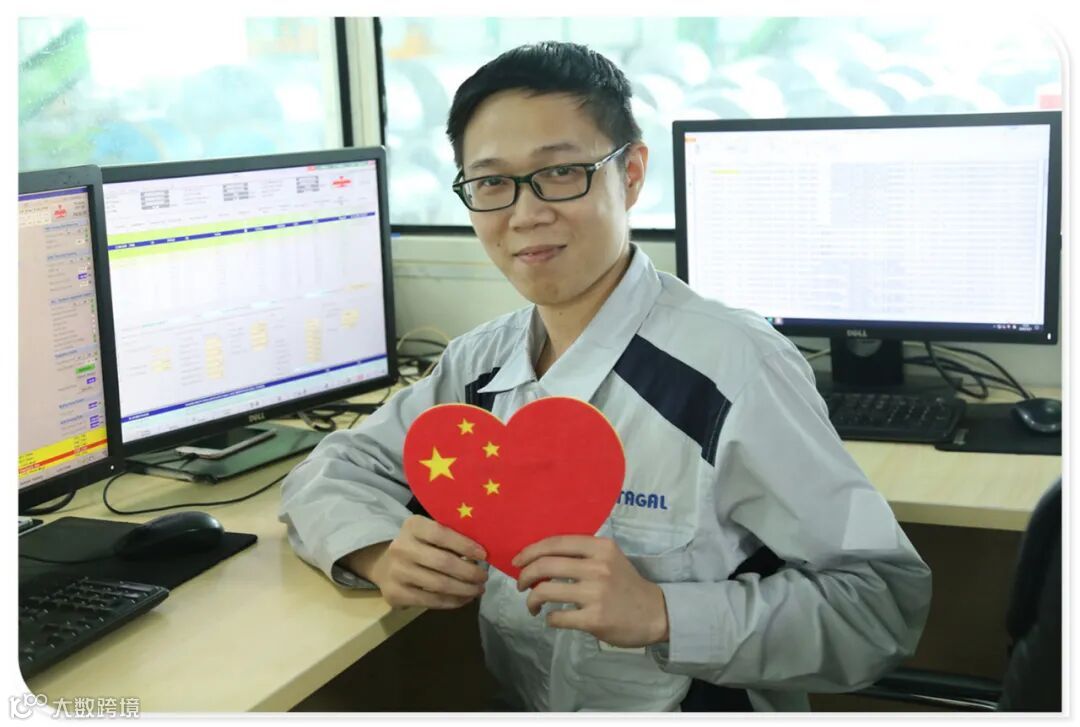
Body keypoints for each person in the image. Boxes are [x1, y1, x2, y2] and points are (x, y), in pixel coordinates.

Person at [279, 41, 932, 712]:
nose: (525, 214)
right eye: (492, 183)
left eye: (562, 172)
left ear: (632, 174)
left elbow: (880, 606)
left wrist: (663, 613)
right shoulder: (479, 366)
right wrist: (378, 550)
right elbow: (329, 470)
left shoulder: (734, 371)